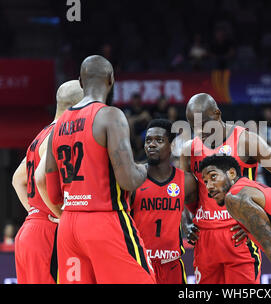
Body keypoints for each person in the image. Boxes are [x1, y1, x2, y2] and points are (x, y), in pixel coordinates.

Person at [42, 55, 156, 284]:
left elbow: (53, 192)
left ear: (81, 82)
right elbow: (128, 180)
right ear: (111, 79)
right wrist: (146, 167)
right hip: (104, 221)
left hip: (69, 228)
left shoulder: (57, 126)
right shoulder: (110, 116)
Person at [180, 93, 271, 284]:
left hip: (240, 238)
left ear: (217, 113)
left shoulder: (245, 140)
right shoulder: (189, 150)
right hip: (205, 240)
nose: (199, 130)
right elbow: (183, 192)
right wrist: (187, 222)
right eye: (192, 124)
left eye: (202, 123)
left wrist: (261, 220)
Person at [199, 154, 271, 284]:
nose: (209, 187)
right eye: (205, 181)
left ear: (231, 173)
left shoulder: (235, 198)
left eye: (213, 177)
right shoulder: (248, 187)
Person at [12, 80, 83, 284]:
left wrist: (36, 211)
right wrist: (58, 214)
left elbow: (17, 179)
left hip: (30, 230)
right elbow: (39, 178)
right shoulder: (60, 134)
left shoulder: (40, 135)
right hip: (48, 234)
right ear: (76, 106)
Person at [129, 119, 198, 283]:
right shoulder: (133, 178)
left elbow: (200, 210)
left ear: (172, 146)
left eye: (159, 140)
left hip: (172, 266)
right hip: (140, 263)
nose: (151, 145)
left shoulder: (187, 182)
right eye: (148, 140)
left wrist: (189, 223)